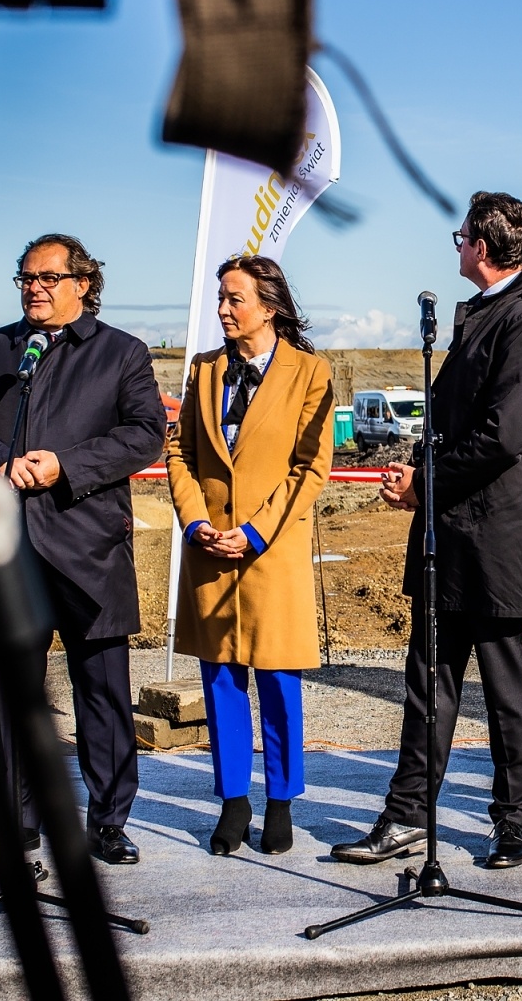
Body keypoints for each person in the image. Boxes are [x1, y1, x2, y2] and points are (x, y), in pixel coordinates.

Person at [331, 192, 522, 870]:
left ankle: (513, 819)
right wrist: (418, 472)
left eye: (460, 236)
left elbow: (502, 437)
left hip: (500, 540)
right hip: (451, 537)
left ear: (483, 249)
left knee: (504, 688)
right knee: (428, 684)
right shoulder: (484, 313)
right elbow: (459, 425)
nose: (455, 245)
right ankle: (406, 815)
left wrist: (423, 483)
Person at [0, 233, 165, 865]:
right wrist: (1, 462)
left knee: (103, 691)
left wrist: (63, 466)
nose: (34, 287)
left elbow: (146, 435)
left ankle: (108, 821)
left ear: (83, 283)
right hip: (8, 547)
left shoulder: (122, 353)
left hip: (88, 547)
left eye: (47, 277)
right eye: (26, 277)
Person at [166, 255, 333, 856]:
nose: (222, 310)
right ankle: (233, 801)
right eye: (220, 298)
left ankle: (281, 802)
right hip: (210, 548)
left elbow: (311, 467)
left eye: (234, 299)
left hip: (272, 550)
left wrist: (256, 532)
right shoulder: (204, 371)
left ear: (270, 306)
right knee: (221, 682)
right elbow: (180, 453)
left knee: (278, 681)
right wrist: (196, 520)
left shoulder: (311, 373)